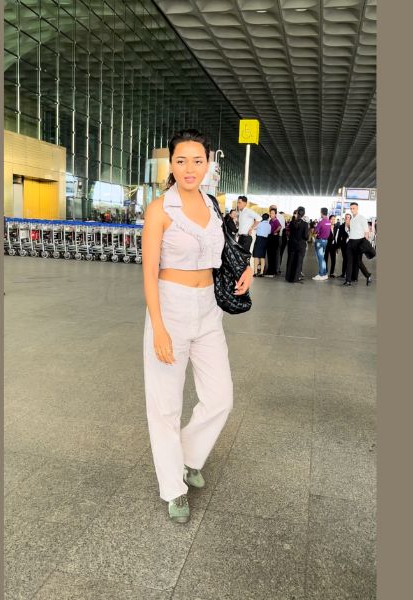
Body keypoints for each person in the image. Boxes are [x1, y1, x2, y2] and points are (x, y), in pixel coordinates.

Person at [141, 129, 253, 523]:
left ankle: (187, 457)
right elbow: (149, 273)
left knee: (220, 397)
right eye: (181, 160)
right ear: (171, 165)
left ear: (209, 165)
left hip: (208, 309)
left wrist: (247, 268)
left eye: (197, 160)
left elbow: (226, 252)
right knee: (165, 405)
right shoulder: (160, 210)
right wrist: (158, 327)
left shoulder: (212, 205)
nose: (189, 168)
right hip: (170, 306)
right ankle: (174, 488)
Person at [343, 202, 372, 286]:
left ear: (357, 208)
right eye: (351, 208)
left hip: (359, 242)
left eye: (354, 208)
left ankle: (368, 275)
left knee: (358, 262)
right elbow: (352, 231)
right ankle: (348, 281)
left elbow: (366, 232)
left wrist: (364, 244)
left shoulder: (362, 218)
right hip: (350, 242)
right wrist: (347, 224)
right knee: (349, 261)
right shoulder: (352, 219)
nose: (352, 210)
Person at [285, 206, 309, 283]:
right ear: (304, 214)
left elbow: (289, 232)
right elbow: (306, 236)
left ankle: (288, 277)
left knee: (290, 260)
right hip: (301, 245)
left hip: (292, 244)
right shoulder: (305, 224)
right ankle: (295, 278)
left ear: (297, 213)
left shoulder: (292, 222)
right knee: (299, 261)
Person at [312, 207, 332, 281]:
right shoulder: (329, 222)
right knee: (322, 258)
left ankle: (321, 274)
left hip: (319, 242)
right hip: (325, 241)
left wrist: (315, 229)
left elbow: (315, 231)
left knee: (320, 258)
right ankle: (324, 274)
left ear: (321, 213)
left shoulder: (321, 222)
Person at [264, 208, 281, 277]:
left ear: (275, 214)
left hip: (274, 239)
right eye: (270, 213)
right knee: (270, 255)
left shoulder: (276, 220)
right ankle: (270, 270)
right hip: (270, 238)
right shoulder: (270, 220)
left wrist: (275, 231)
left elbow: (280, 226)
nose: (271, 214)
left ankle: (273, 271)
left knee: (273, 255)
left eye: (273, 213)